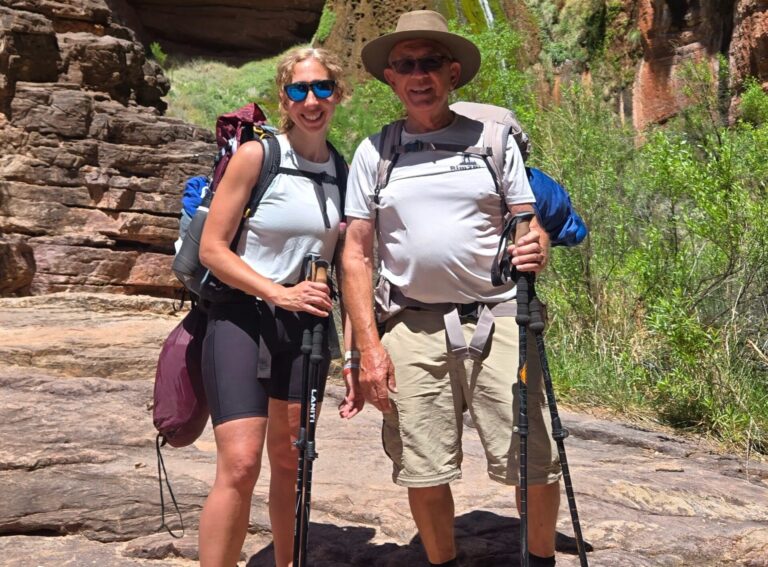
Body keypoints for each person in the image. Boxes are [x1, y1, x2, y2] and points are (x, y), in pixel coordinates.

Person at [341, 10, 562, 567]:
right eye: (406, 65)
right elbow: (356, 253)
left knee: (533, 456)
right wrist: (367, 348)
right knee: (423, 462)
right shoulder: (375, 152)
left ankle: (538, 560)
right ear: (390, 78)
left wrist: (538, 245)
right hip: (411, 325)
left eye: (431, 63)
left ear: (453, 72)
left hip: (499, 315)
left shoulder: (493, 140)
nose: (419, 75)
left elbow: (528, 223)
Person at [197, 47, 362, 567]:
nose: (310, 100)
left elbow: (350, 267)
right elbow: (212, 249)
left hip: (303, 328)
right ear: (284, 99)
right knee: (242, 464)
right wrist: (275, 291)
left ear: (339, 95)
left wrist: (355, 355)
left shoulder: (344, 169)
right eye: (298, 90)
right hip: (242, 318)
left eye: (321, 89)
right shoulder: (258, 156)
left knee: (291, 464)